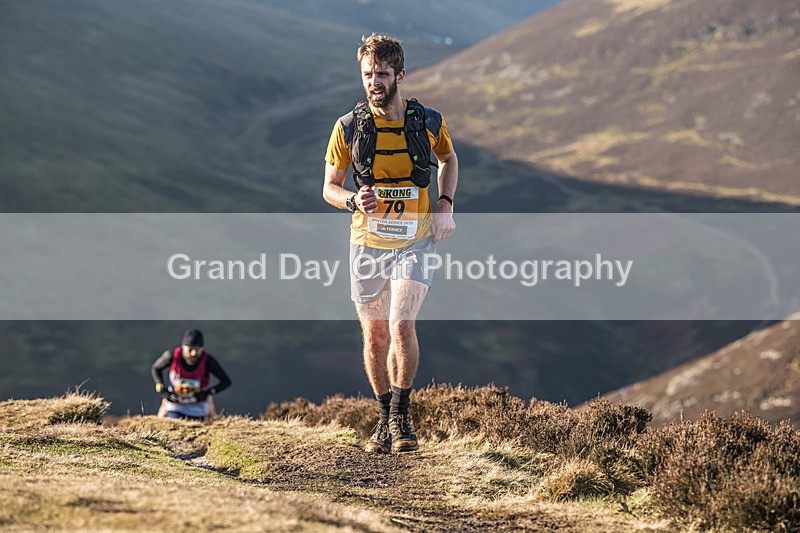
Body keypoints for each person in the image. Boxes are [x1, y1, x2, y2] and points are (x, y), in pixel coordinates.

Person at [322, 33, 458, 453]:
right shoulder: (348, 127)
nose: (373, 82)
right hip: (367, 243)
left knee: (401, 326)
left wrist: (445, 205)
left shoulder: (428, 122)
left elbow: (449, 159)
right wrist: (351, 199)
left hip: (415, 241)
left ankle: (402, 417)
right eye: (367, 74)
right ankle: (383, 419)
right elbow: (329, 186)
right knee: (376, 336)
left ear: (400, 74)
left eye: (381, 74)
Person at [151, 328, 232, 421]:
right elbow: (156, 368)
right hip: (175, 406)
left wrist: (207, 393)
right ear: (183, 347)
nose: (193, 353)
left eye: (197, 350)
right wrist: (160, 387)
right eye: (190, 349)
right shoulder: (172, 356)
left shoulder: (208, 361)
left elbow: (226, 381)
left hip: (198, 409)